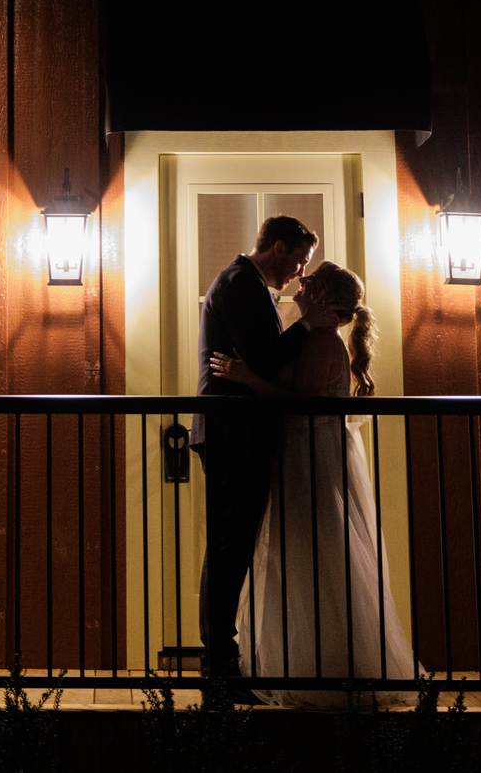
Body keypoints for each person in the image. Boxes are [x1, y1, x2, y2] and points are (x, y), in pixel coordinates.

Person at [210, 260, 420, 709]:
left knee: (314, 555)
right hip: (302, 454)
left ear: (324, 298)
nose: (301, 282)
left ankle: (323, 668)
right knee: (305, 556)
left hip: (309, 456)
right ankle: (304, 661)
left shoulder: (323, 340)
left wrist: (247, 378)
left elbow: (302, 403)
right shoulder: (316, 335)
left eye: (312, 280)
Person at [192, 215, 317, 688]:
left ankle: (221, 655)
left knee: (231, 545)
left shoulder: (246, 284)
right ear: (279, 248)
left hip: (234, 430)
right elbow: (265, 357)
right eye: (299, 261)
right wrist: (307, 323)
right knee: (230, 546)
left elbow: (259, 359)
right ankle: (220, 661)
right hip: (233, 431)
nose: (299, 274)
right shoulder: (243, 283)